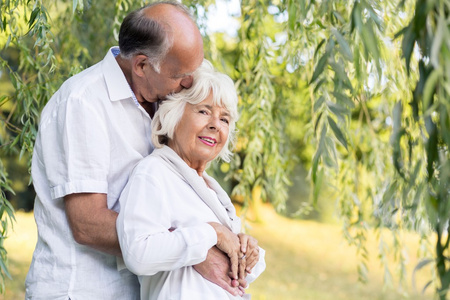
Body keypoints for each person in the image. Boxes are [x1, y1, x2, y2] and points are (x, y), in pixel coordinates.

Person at [26, 2, 249, 299]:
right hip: (83, 289)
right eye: (181, 74)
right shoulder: (83, 103)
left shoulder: (165, 101)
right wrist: (198, 248)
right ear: (142, 66)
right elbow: (87, 224)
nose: (189, 83)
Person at [116, 60, 266, 299]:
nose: (215, 125)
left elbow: (233, 275)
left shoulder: (211, 188)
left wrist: (248, 250)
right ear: (172, 116)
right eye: (204, 111)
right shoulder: (154, 173)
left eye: (225, 119)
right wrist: (213, 233)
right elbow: (138, 253)